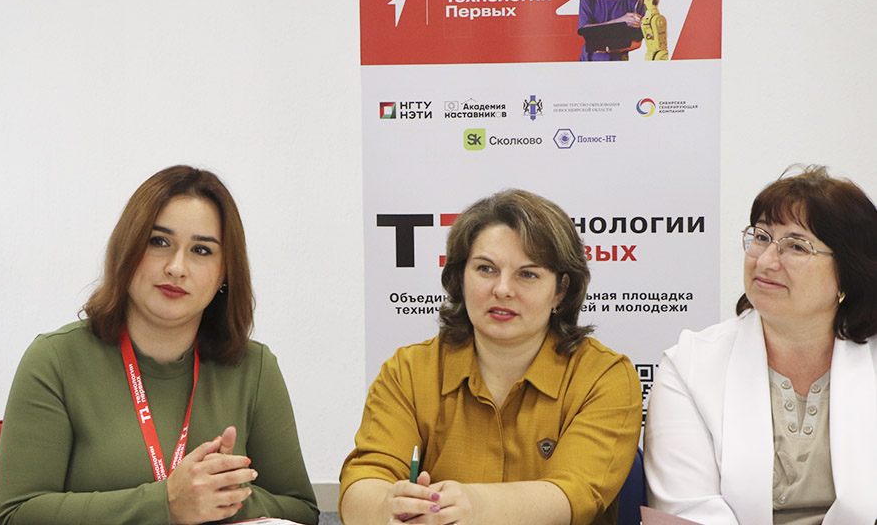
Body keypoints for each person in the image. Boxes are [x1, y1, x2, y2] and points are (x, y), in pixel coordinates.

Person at [0, 166, 319, 525]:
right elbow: (15, 515)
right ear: (128, 248)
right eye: (159, 242)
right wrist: (165, 503)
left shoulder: (254, 368)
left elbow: (302, 510)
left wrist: (223, 496)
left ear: (225, 274)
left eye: (201, 250)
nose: (177, 268)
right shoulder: (55, 360)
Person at [339, 189, 642, 525]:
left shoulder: (604, 376)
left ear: (560, 290)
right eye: (486, 269)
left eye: (528, 274)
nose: (502, 289)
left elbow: (576, 494)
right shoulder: (409, 371)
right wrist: (388, 508)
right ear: (460, 277)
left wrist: (473, 506)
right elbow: (362, 482)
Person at [644, 165, 877, 524]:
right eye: (761, 237)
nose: (765, 261)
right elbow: (688, 512)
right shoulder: (689, 365)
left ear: (848, 273)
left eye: (796, 246)